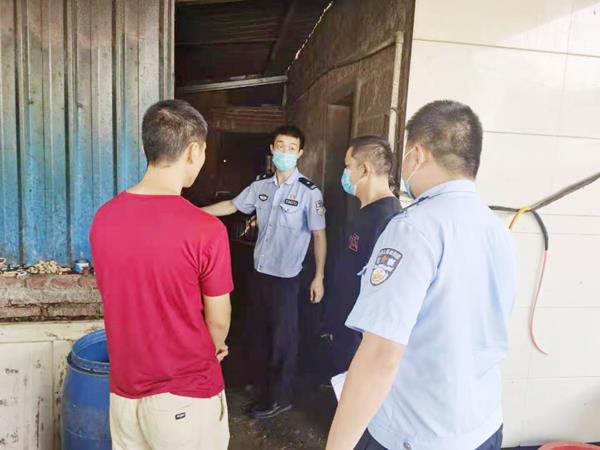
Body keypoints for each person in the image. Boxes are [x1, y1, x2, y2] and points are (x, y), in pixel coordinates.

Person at [326, 100, 517, 450]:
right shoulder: (497, 228)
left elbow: (380, 356)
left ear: (417, 154)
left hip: (417, 432)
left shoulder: (413, 229)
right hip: (483, 425)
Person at [90, 99, 233, 450]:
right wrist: (213, 348)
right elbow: (218, 321)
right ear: (194, 152)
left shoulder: (104, 218)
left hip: (124, 396)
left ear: (146, 148)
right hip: (186, 396)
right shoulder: (206, 229)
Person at [202, 125, 327, 419]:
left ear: (300, 153)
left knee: (284, 340)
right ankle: (261, 385)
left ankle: (281, 397)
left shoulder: (309, 192)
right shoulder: (260, 186)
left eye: (291, 148)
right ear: (272, 149)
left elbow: (319, 235)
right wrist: (195, 212)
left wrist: (319, 276)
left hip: (287, 279)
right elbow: (232, 206)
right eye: (280, 146)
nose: (285, 152)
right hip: (259, 273)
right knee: (258, 332)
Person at [321, 136, 401, 376]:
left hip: (361, 341)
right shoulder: (365, 212)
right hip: (345, 330)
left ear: (364, 169)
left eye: (348, 166)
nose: (345, 173)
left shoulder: (389, 221)